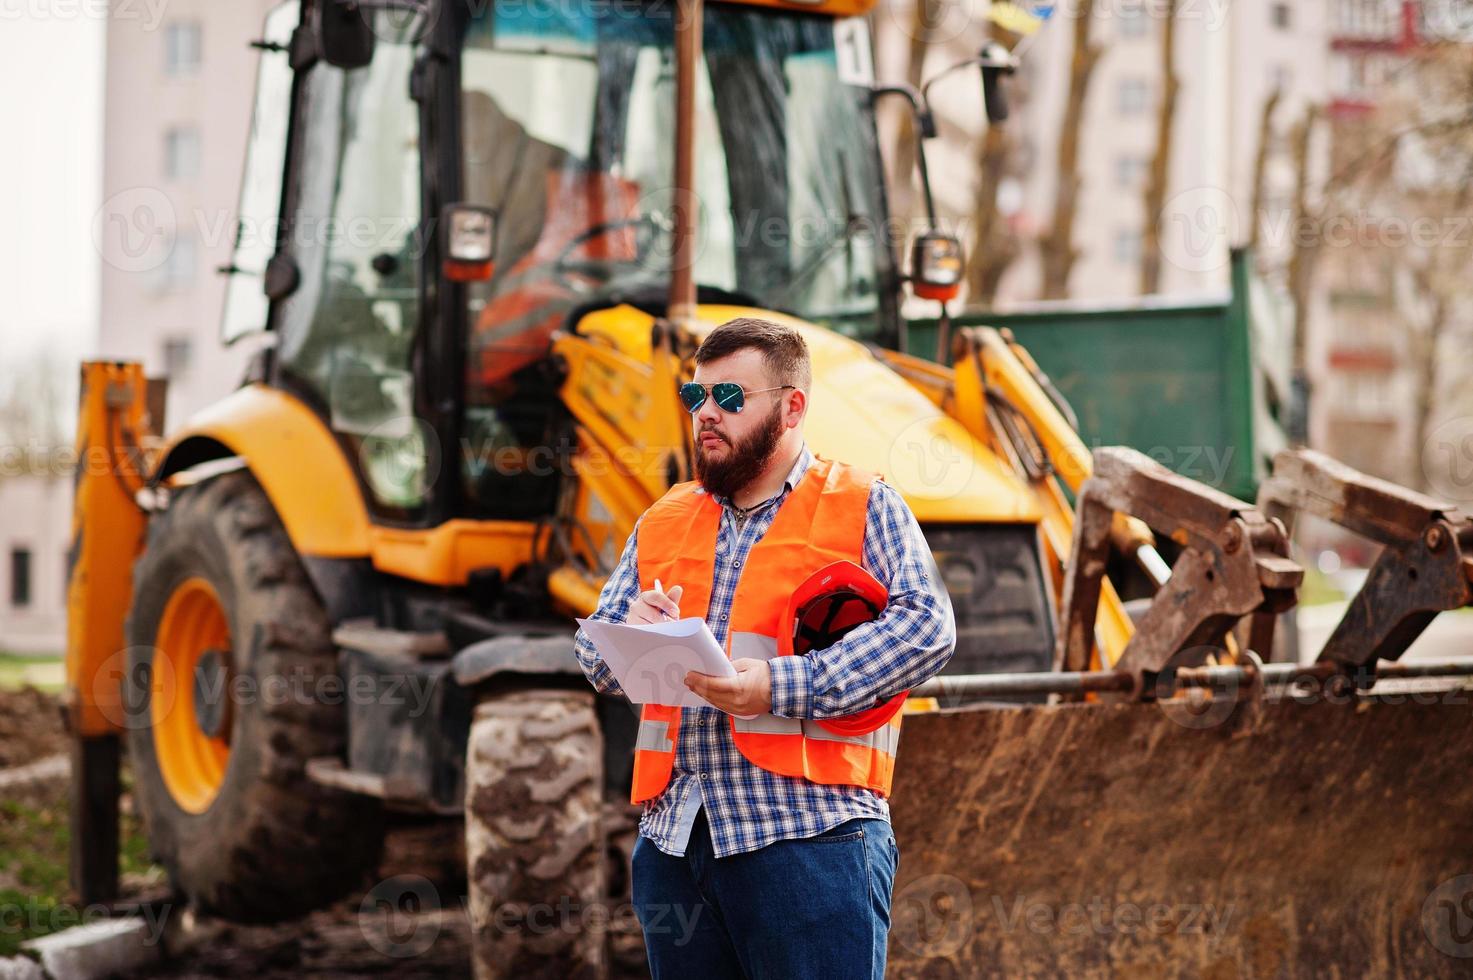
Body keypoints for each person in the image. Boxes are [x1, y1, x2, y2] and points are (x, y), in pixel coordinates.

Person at [573, 316, 957, 979]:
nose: (705, 416)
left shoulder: (863, 504)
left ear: (791, 406)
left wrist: (783, 685)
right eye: (696, 398)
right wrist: (631, 630)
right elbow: (593, 652)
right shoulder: (663, 517)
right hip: (675, 844)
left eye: (729, 398)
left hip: (811, 842)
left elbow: (927, 627)